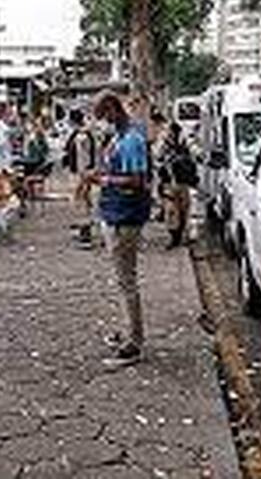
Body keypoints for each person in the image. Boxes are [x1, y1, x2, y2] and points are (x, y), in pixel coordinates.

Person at [91, 92, 152, 368]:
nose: (102, 123)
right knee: (121, 279)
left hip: (125, 217)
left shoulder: (132, 140)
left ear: (113, 111)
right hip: (114, 214)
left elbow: (138, 181)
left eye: (103, 117)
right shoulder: (118, 137)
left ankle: (134, 342)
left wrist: (104, 180)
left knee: (127, 280)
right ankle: (126, 329)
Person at [159, 122, 198, 249]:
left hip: (182, 183)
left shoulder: (184, 145)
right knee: (172, 212)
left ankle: (179, 236)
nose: (171, 135)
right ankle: (174, 237)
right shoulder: (164, 146)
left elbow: (193, 159)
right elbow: (159, 161)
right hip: (170, 183)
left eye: (173, 132)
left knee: (183, 211)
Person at [64, 109, 97, 245]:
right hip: (81, 173)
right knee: (83, 202)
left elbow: (84, 158)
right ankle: (84, 232)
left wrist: (84, 178)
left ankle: (85, 235)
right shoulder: (81, 134)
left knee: (82, 202)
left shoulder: (82, 136)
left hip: (81, 173)